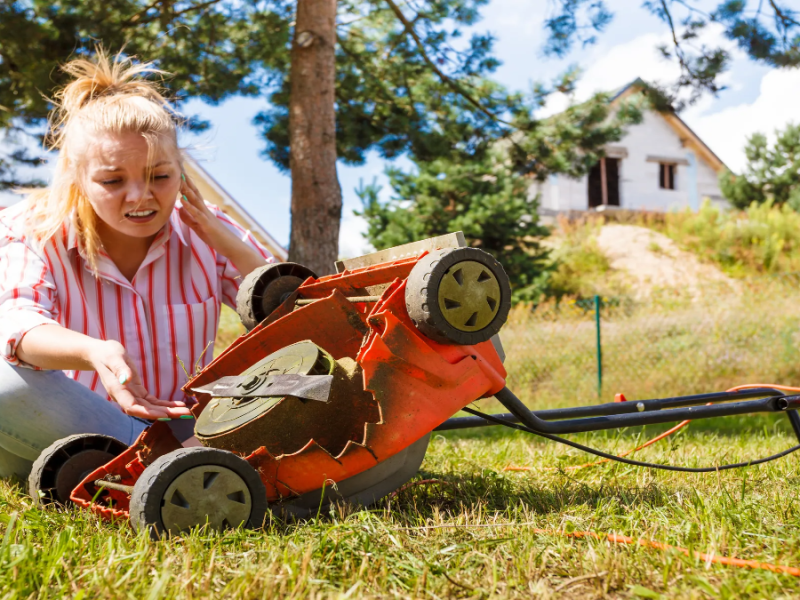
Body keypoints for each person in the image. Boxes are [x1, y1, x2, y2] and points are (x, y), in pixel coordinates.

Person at [0, 50, 274, 478]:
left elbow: (293, 314)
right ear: (78, 178)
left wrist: (229, 243)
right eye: (113, 181)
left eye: (160, 176)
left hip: (188, 427)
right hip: (83, 423)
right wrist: (94, 352)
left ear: (181, 170)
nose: (140, 196)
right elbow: (17, 326)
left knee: (315, 381)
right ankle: (184, 470)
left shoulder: (208, 229)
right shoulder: (29, 228)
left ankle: (178, 466)